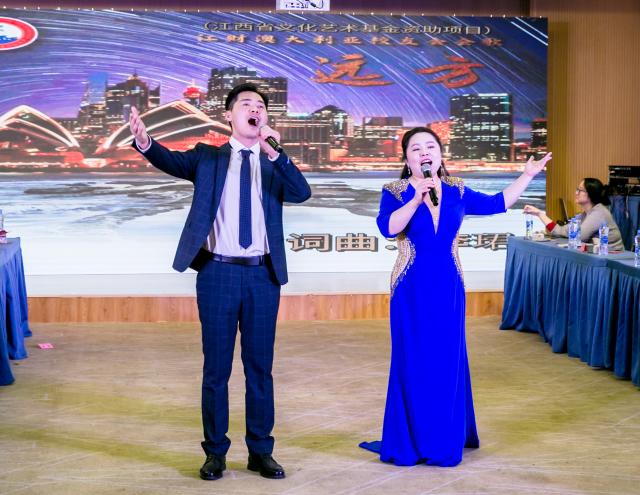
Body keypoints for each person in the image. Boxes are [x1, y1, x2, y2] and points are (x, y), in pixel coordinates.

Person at [129, 83, 311, 480]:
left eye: (260, 105)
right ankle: (215, 453)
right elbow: (170, 160)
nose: (254, 109)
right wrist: (145, 142)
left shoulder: (273, 162)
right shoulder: (208, 157)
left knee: (260, 368)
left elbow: (302, 193)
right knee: (216, 370)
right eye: (246, 104)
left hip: (263, 275)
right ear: (228, 115)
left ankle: (261, 451)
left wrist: (276, 152)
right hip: (218, 273)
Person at [359, 127, 551, 467]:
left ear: (440, 154)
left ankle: (442, 438)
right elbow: (388, 228)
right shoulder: (394, 191)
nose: (424, 152)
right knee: (413, 360)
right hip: (411, 287)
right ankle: (411, 440)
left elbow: (498, 203)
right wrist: (416, 198)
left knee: (446, 359)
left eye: (430, 146)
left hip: (448, 286)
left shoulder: (457, 189)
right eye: (416, 148)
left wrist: (527, 175)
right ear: (407, 159)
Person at [524, 178, 624, 250]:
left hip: (612, 258)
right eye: (577, 190)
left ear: (591, 193)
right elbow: (559, 231)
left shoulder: (599, 213)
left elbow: (579, 237)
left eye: (580, 190)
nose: (576, 193)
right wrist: (539, 214)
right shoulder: (584, 215)